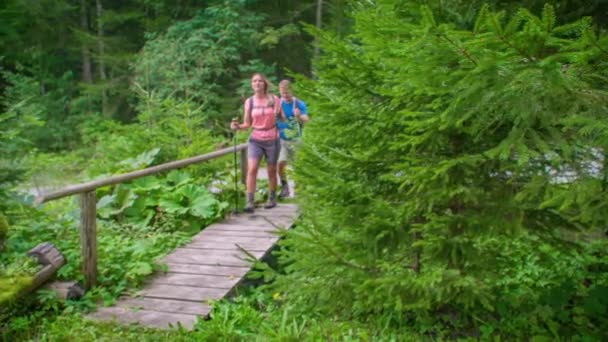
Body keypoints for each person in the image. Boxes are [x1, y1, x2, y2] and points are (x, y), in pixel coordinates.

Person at [231, 73, 284, 212]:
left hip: (272, 138)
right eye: (254, 81)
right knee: (252, 168)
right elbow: (247, 124)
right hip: (255, 139)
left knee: (271, 170)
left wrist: (277, 112)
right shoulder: (250, 102)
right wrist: (236, 127)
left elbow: (282, 118)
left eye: (260, 81)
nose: (257, 83)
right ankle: (249, 202)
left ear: (264, 83)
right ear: (252, 84)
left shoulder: (274, 99)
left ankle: (271, 198)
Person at [276, 80, 309, 199]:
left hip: (296, 139)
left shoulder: (299, 103)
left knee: (298, 166)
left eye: (287, 93)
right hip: (282, 140)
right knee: (280, 164)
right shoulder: (277, 104)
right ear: (280, 92)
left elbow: (306, 120)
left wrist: (299, 115)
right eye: (283, 93)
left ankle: (299, 189)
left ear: (291, 91)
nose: (285, 95)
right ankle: (285, 187)